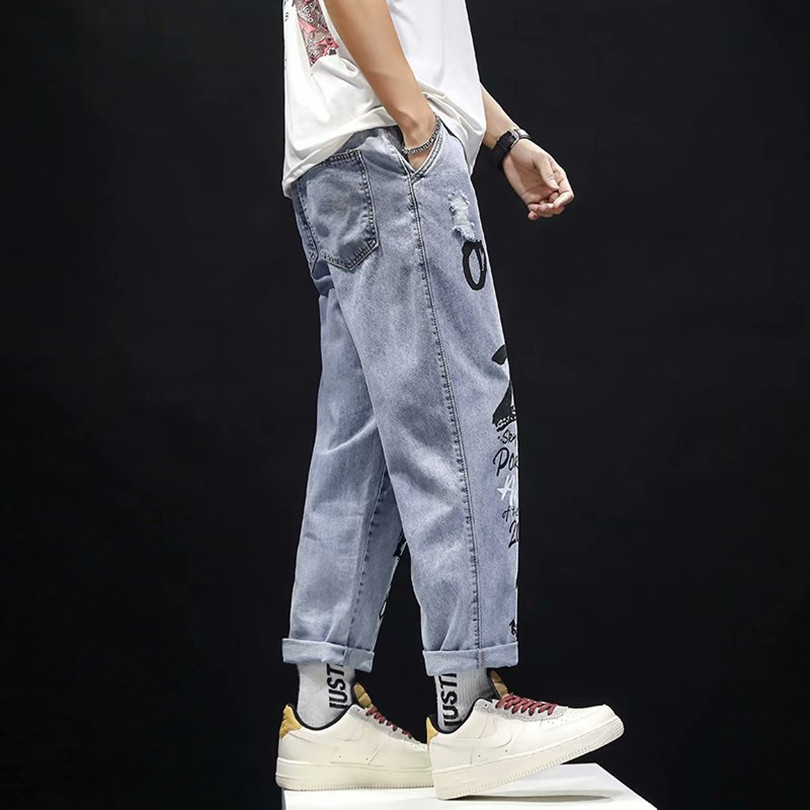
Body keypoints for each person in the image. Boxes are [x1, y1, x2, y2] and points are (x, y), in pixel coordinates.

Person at [275, 0, 623, 799]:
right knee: (458, 419)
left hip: (341, 157)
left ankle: (324, 714)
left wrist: (500, 137)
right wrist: (419, 125)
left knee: (362, 442)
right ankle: (468, 709)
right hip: (388, 150)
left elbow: (414, 27)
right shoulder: (402, 133)